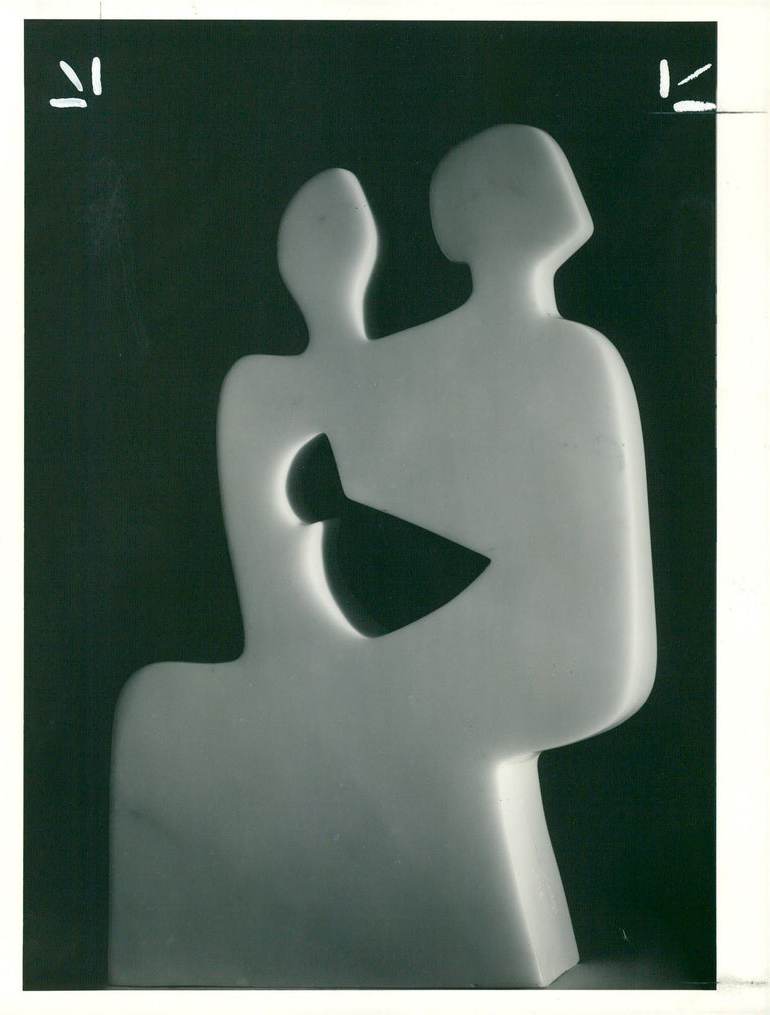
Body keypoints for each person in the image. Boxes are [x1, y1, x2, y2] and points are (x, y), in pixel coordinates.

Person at [109, 126, 655, 987]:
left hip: (555, 647)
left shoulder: (542, 355)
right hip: (530, 639)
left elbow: (381, 469)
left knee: (167, 710)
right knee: (174, 704)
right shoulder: (528, 353)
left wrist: (338, 352)